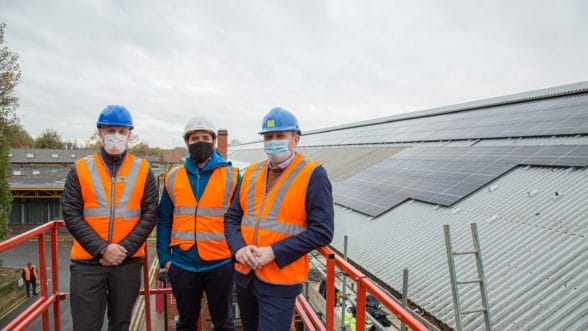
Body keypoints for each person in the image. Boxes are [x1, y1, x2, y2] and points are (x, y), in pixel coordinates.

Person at [224, 107, 334, 331]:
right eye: (268, 137)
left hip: (280, 281)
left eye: (280, 136)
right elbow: (233, 217)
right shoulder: (251, 172)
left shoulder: (313, 174)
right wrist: (238, 249)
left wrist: (273, 252)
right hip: (245, 274)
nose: (273, 142)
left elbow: (322, 231)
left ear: (295, 140)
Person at [62, 105, 158, 331]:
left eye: (122, 131)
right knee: (85, 326)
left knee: (121, 324)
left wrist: (121, 249)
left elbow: (150, 213)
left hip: (127, 261)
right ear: (100, 133)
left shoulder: (143, 169)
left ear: (129, 135)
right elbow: (71, 213)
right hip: (87, 262)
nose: (116, 135)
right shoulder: (81, 168)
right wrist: (102, 248)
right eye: (110, 130)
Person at [157, 117, 239, 331]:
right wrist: (165, 259)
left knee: (224, 323)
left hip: (220, 264)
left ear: (213, 141)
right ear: (187, 142)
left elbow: (240, 219)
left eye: (205, 138)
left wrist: (235, 255)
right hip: (183, 264)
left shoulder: (231, 176)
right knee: (186, 323)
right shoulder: (173, 177)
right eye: (194, 138)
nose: (199, 142)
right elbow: (164, 219)